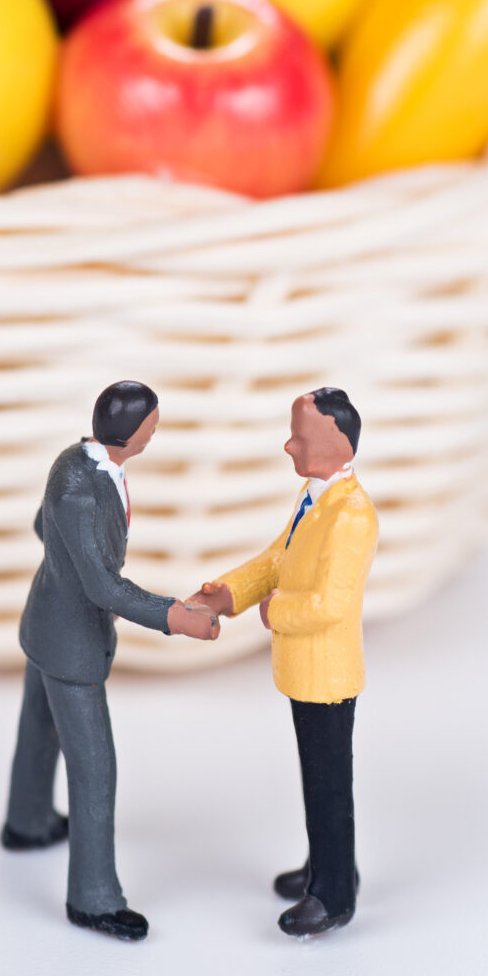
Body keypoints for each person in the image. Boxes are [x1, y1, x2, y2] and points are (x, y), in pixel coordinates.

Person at [1, 381, 222, 942]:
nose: (156, 430)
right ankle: (93, 896)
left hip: (46, 623)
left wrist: (63, 564)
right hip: (71, 640)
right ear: (133, 432)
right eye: (153, 423)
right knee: (95, 767)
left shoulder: (72, 461)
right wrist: (175, 615)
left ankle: (27, 822)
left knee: (38, 724)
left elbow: (38, 527)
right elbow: (102, 586)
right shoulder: (81, 488)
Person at [190, 388, 378, 939]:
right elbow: (278, 558)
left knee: (328, 786)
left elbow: (330, 603)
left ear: (333, 444)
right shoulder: (314, 495)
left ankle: (335, 895)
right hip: (306, 671)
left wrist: (276, 610)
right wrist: (230, 593)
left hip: (328, 673)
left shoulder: (351, 515)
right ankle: (323, 868)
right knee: (317, 782)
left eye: (299, 437)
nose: (288, 444)